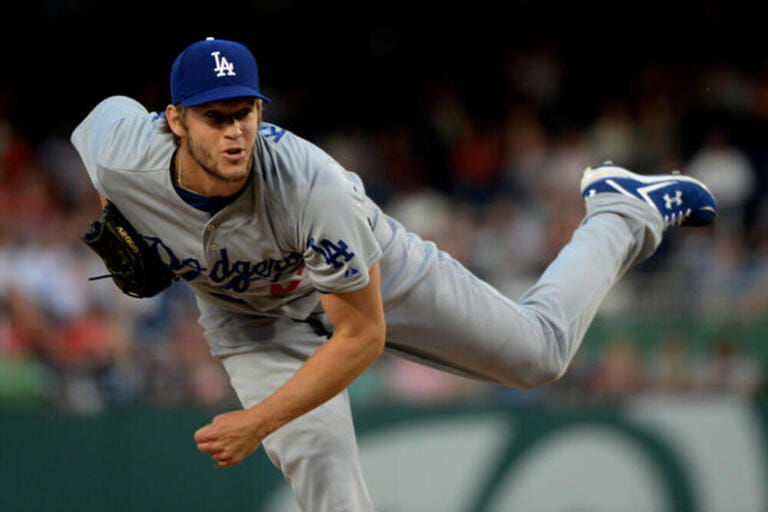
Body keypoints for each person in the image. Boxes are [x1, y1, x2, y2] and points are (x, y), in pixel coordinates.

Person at [70, 37, 718, 511]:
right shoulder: (126, 151)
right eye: (215, 117)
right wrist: (121, 218)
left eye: (246, 111)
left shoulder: (306, 182)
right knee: (327, 482)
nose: (236, 131)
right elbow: (98, 122)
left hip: (376, 278)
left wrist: (260, 420)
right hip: (253, 322)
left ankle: (621, 209)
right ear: (175, 120)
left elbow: (361, 336)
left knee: (540, 355)